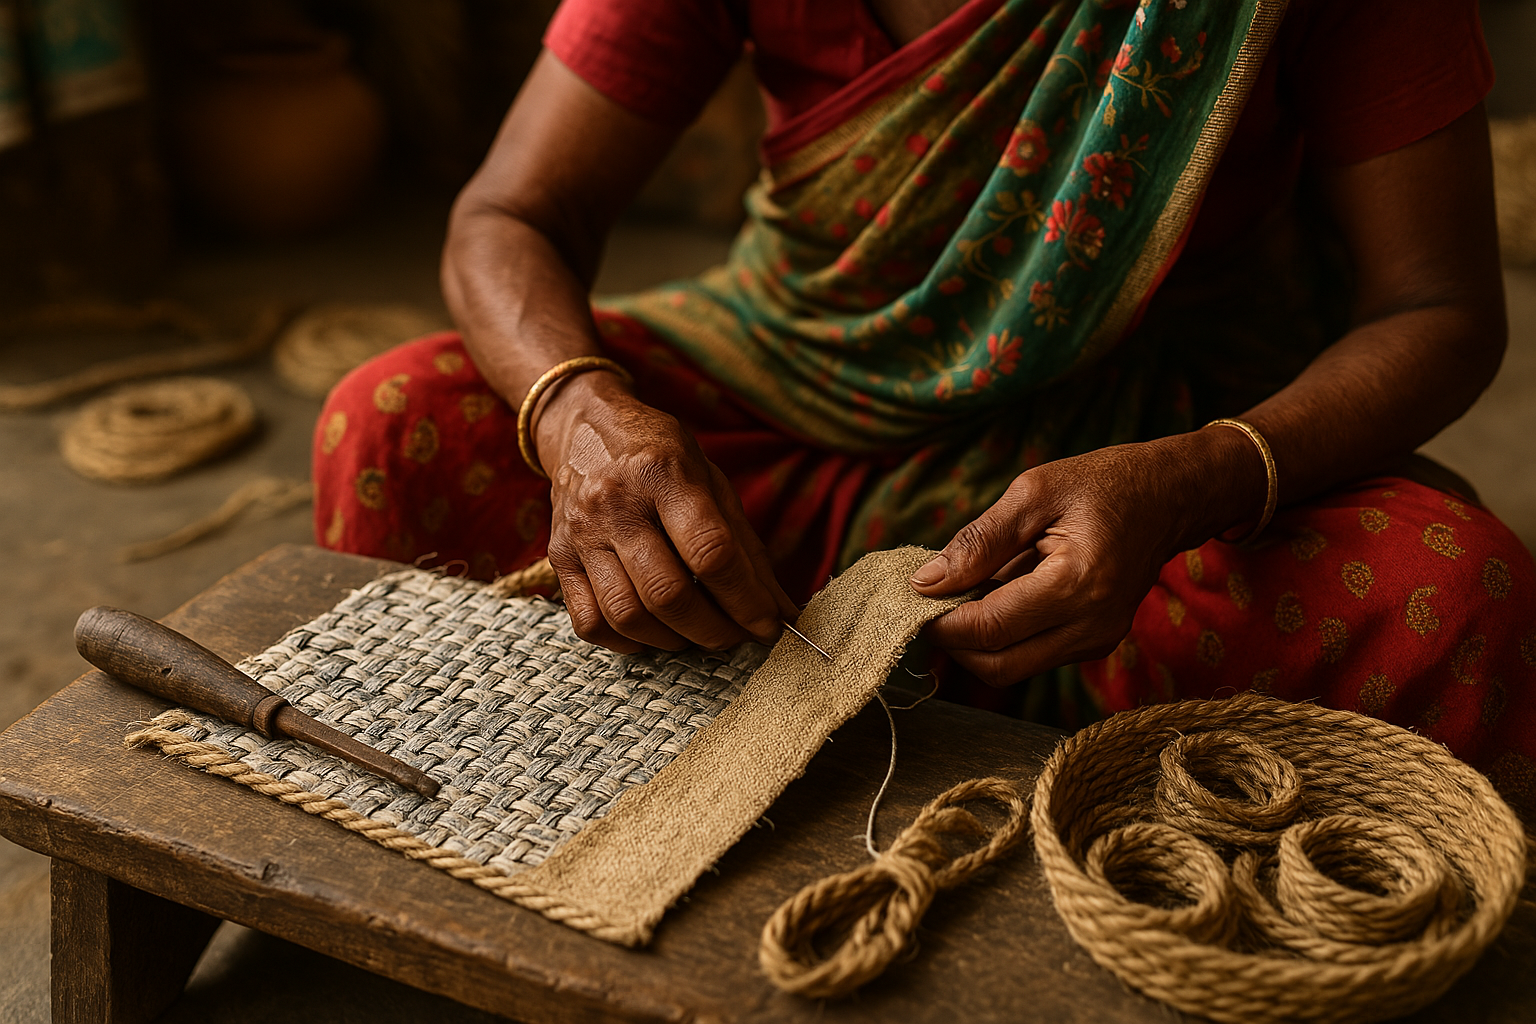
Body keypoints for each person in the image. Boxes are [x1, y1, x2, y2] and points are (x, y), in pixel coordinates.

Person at [313, 0, 1536, 808]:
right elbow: (510, 216)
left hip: (1162, 465)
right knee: (396, 422)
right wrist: (587, 430)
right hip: (800, 400)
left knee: (1453, 592)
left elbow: (1437, 307)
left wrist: (1194, 477)